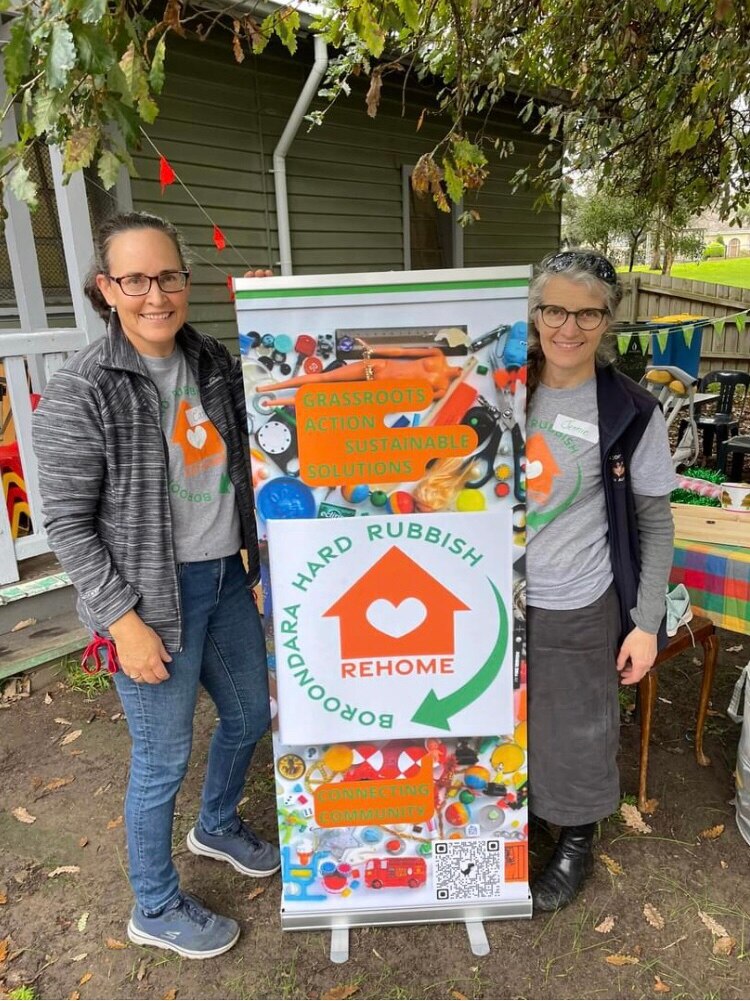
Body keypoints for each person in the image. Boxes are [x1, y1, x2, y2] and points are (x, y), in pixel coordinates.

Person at [32, 211, 279, 959]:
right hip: (146, 599)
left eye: (167, 276)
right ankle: (155, 902)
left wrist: (272, 321)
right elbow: (69, 526)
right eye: (134, 279)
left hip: (222, 580)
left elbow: (268, 427)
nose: (154, 294)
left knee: (247, 715)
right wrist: (122, 621)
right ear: (107, 288)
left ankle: (216, 825)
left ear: (185, 280)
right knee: (162, 755)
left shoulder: (210, 362)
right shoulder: (83, 387)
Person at [524, 249, 675, 911]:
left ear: (608, 321)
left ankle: (576, 836)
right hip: (498, 596)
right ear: (536, 314)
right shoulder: (502, 385)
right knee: (511, 718)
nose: (569, 326)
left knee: (579, 725)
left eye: (588, 313)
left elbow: (657, 524)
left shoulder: (632, 411)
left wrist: (645, 622)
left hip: (581, 595)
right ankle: (519, 817)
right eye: (556, 309)